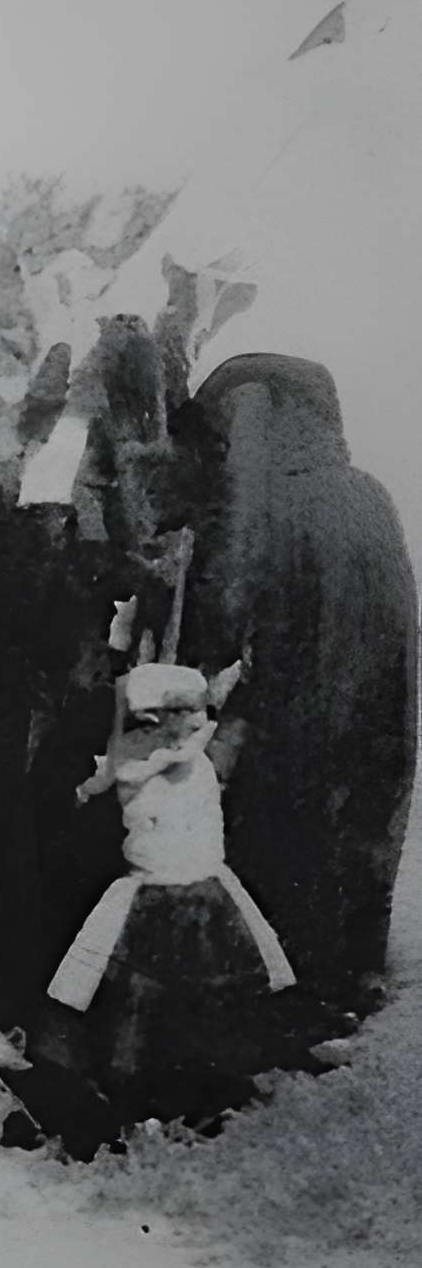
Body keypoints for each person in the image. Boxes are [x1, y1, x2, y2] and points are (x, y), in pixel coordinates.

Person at [182, 354, 417, 1036]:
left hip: (304, 700)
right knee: (364, 819)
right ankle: (353, 972)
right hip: (380, 701)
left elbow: (226, 608)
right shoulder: (369, 495)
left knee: (289, 824)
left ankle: (293, 990)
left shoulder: (270, 506)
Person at [31, 648, 294, 1147]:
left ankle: (195, 1088)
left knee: (186, 996)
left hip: (196, 890)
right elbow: (127, 765)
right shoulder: (148, 763)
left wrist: (237, 679)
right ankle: (149, 1091)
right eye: (166, 718)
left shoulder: (176, 760)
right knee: (146, 998)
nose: (179, 728)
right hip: (161, 894)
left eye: (186, 716)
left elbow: (218, 726)